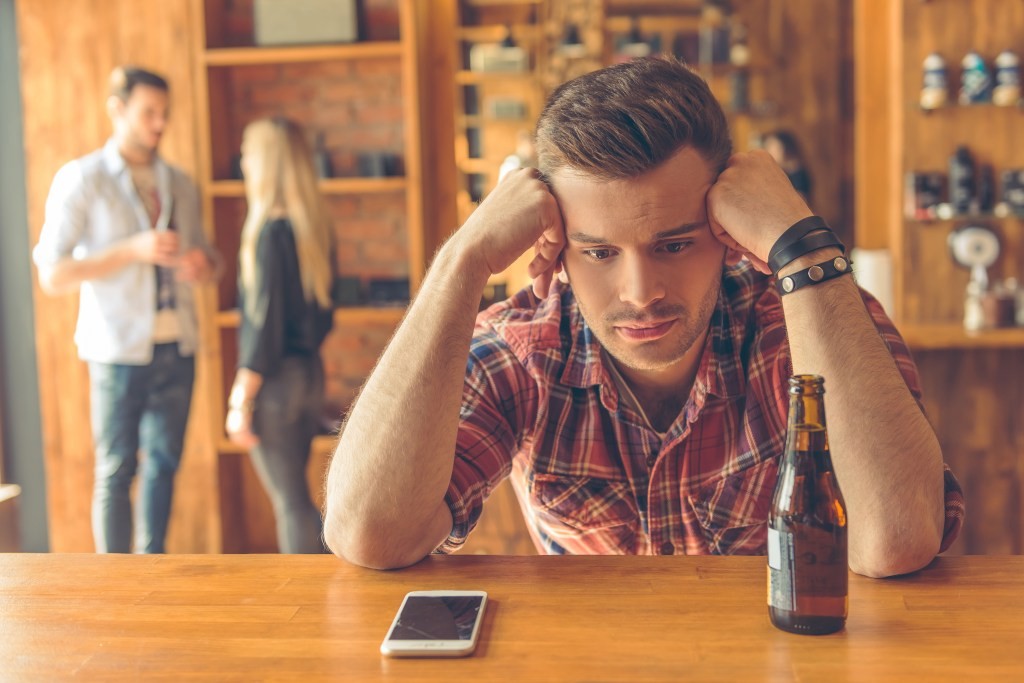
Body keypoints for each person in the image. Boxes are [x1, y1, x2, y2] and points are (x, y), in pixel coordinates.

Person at [323, 57, 964, 576]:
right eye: (599, 252)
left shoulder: (804, 325)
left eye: (674, 244)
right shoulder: (524, 348)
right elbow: (370, 534)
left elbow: (896, 540)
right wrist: (462, 262)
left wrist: (803, 247)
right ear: (555, 243)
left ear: (728, 229)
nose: (640, 292)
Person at [34, 66, 219, 553]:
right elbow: (52, 273)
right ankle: (113, 582)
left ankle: (150, 573)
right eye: (148, 113)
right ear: (117, 110)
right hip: (116, 348)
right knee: (116, 468)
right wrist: (131, 250)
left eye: (164, 114)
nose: (159, 125)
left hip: (178, 342)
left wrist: (204, 264)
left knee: (164, 464)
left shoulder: (179, 183)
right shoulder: (82, 179)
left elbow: (209, 258)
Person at [224, 117, 334, 554]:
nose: (244, 163)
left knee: (289, 503)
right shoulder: (314, 230)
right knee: (298, 499)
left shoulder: (270, 234)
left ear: (266, 163)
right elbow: (323, 319)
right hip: (308, 376)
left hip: (274, 386)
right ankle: (331, 591)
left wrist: (240, 400)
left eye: (249, 154)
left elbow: (263, 331)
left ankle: (307, 606)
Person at [762, 130, 812, 202]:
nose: (768, 151)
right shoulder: (780, 172)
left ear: (785, 149)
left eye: (772, 147)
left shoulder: (797, 174)